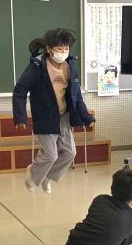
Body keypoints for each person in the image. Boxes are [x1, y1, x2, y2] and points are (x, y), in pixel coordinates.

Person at [13, 28, 96, 194]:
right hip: (45, 117)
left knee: (70, 153)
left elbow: (76, 95)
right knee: (50, 155)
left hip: (64, 116)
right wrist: (20, 117)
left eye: (66, 48)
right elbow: (19, 91)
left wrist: (87, 117)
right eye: (59, 48)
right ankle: (33, 174)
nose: (63, 52)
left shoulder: (70, 65)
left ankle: (48, 177)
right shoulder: (37, 66)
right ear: (49, 48)